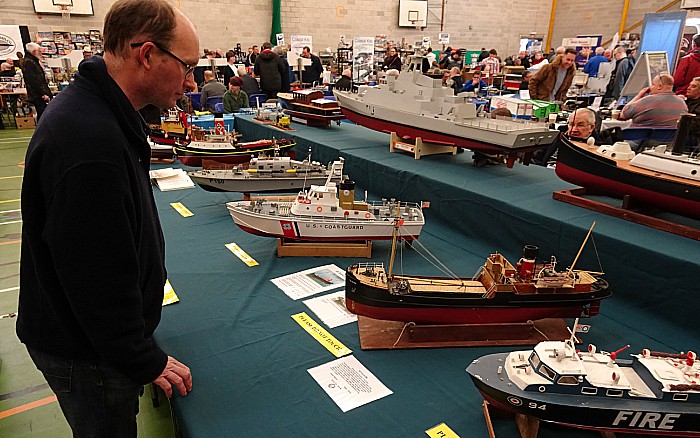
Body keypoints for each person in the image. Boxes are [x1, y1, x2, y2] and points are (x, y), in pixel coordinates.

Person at [18, 1, 196, 436]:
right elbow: (94, 276)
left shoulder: (100, 113)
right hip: (86, 354)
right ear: (148, 54)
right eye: (187, 67)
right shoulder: (88, 141)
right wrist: (140, 357)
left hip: (89, 341)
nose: (193, 82)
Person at [533, 108, 599, 166]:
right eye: (571, 124)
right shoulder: (557, 136)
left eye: (580, 125)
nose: (574, 130)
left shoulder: (599, 148)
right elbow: (537, 157)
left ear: (591, 127)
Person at [619, 73, 687, 128]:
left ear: (660, 86)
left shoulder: (647, 101)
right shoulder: (682, 103)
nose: (650, 87)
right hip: (671, 142)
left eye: (653, 84)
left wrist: (639, 96)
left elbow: (623, 114)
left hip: (641, 142)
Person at [21, 42, 53, 121]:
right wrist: (42, 94)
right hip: (37, 94)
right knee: (43, 114)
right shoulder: (29, 62)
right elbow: (33, 80)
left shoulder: (32, 61)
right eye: (39, 51)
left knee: (43, 113)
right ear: (34, 52)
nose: (41, 53)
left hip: (38, 93)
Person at [683, 76, 700, 149]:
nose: (688, 88)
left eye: (693, 86)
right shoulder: (684, 102)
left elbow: (695, 126)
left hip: (694, 138)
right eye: (689, 85)